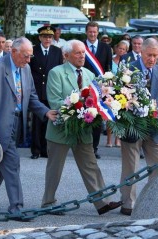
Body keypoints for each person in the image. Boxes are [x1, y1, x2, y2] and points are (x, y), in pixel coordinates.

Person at [0, 37, 57, 218]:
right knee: (11, 163)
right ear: (14, 52)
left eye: (30, 57)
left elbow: (32, 97)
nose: (28, 60)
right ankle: (16, 208)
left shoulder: (25, 69)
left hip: (17, 124)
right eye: (26, 56)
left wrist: (46, 112)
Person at [42, 39, 122, 215]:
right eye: (78, 53)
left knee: (91, 166)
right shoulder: (56, 73)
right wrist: (77, 109)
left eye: (83, 52)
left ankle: (102, 203)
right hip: (61, 129)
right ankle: (48, 203)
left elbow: (97, 99)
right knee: (55, 168)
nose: (82, 56)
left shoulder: (89, 74)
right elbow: (55, 101)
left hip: (84, 128)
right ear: (66, 55)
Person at [119, 38, 158, 216]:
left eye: (155, 55)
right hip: (132, 126)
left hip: (154, 126)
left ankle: (155, 201)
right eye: (149, 55)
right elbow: (117, 96)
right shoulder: (128, 69)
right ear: (141, 52)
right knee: (131, 168)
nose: (152, 59)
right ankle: (128, 204)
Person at [30, 26, 63, 159]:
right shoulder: (33, 50)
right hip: (37, 90)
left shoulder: (56, 51)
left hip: (51, 90)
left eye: (49, 37)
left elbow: (59, 70)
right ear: (40, 38)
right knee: (37, 122)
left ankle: (46, 150)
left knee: (49, 121)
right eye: (45, 37)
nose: (47, 39)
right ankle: (36, 150)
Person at [83, 21, 112, 159]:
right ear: (86, 32)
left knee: (97, 120)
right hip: (83, 86)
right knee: (83, 117)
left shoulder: (105, 47)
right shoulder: (81, 46)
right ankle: (83, 147)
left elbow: (108, 68)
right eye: (90, 32)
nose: (92, 34)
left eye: (95, 32)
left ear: (98, 32)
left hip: (100, 89)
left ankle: (94, 148)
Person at [107, 40, 128, 148]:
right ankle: (109, 140)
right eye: (120, 48)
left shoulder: (127, 62)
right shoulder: (111, 60)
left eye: (124, 49)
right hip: (111, 90)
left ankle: (118, 139)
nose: (121, 50)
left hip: (123, 91)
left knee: (120, 115)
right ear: (116, 49)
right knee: (110, 115)